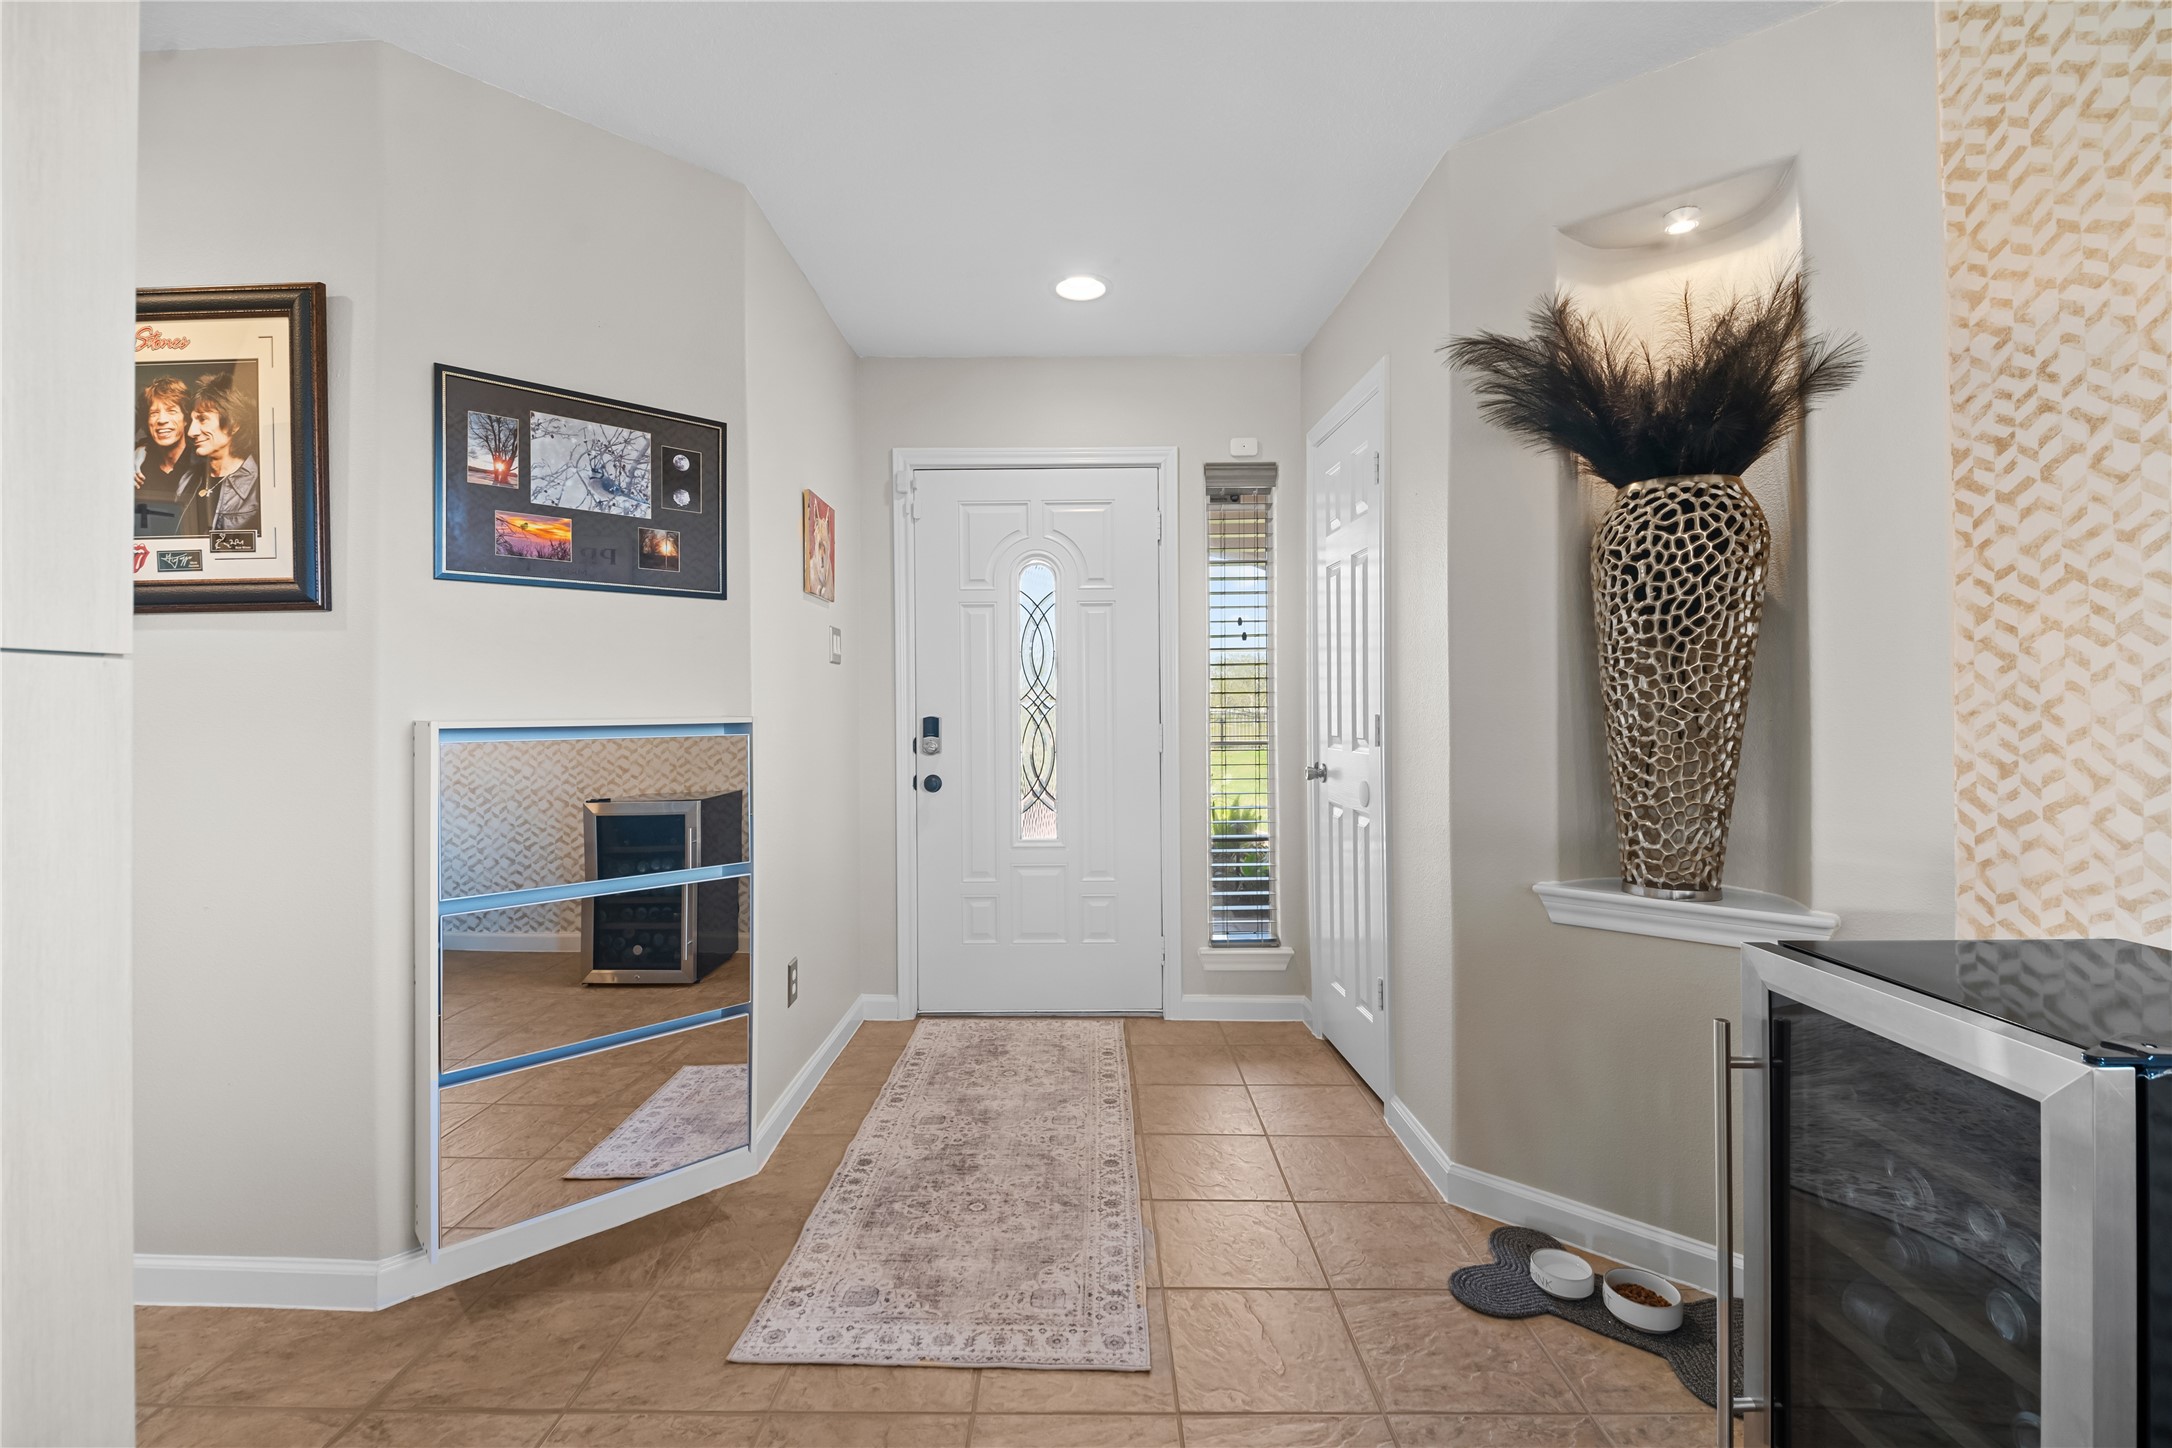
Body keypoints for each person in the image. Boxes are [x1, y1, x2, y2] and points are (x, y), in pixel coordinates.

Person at [132, 375, 206, 535]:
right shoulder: (136, 467)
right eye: (154, 413)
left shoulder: (203, 464)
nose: (162, 420)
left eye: (171, 411)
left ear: (186, 419)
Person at [187, 375, 261, 534]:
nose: (191, 432)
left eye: (202, 419)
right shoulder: (187, 480)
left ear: (233, 425)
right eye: (192, 420)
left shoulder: (260, 488)